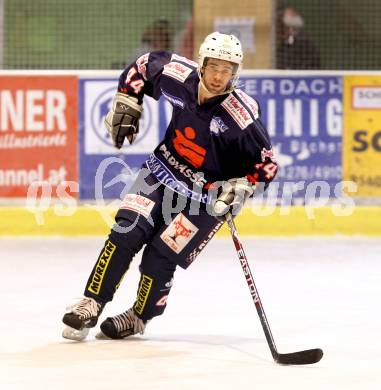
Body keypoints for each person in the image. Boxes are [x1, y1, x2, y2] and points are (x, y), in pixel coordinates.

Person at [62, 32, 278, 341]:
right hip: (162, 170)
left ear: (236, 73)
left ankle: (138, 317)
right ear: (201, 63)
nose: (219, 76)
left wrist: (241, 188)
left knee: (160, 255)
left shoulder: (240, 116)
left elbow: (267, 164)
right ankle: (92, 302)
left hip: (206, 198)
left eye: (228, 70)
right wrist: (128, 98)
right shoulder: (178, 74)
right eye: (214, 66)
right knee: (127, 229)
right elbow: (142, 65)